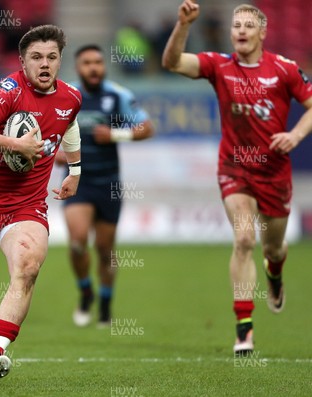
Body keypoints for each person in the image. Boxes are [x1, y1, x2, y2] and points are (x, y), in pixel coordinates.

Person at [162, 1, 312, 355]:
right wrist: (183, 25)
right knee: (244, 238)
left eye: (248, 25)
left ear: (262, 32)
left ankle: (274, 274)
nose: (240, 31)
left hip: (274, 172)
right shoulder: (218, 66)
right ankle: (244, 328)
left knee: (273, 246)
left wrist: (296, 135)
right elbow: (172, 62)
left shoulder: (285, 69)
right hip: (235, 168)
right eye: (236, 26)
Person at [0, 24, 82, 384]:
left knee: (27, 267)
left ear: (60, 60)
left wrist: (74, 169)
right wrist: (17, 146)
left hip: (27, 204)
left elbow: (69, 124)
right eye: (36, 58)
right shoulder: (7, 91)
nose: (45, 64)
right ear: (22, 62)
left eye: (52, 58)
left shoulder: (72, 97)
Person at [57, 44, 154, 328]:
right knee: (77, 243)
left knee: (104, 249)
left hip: (109, 183)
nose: (94, 67)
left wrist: (115, 134)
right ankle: (86, 291)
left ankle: (106, 306)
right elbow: (49, 131)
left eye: (98, 62)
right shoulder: (66, 95)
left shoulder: (118, 95)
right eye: (87, 62)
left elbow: (147, 128)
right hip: (78, 182)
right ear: (78, 67)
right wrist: (55, 152)